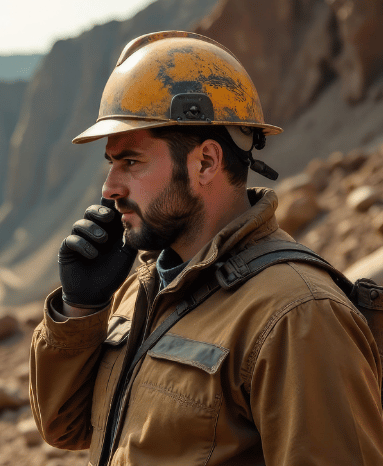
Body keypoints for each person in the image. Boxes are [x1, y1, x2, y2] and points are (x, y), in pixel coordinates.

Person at [28, 30, 383, 465]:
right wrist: (81, 307)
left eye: (131, 162)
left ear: (206, 162)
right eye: (111, 164)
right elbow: (66, 426)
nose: (110, 188)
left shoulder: (299, 315)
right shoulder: (144, 287)